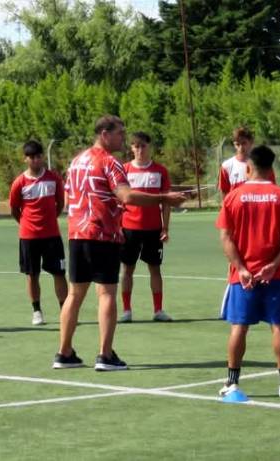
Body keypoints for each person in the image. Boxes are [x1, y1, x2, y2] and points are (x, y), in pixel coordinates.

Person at [54, 115, 186, 371]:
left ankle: (64, 352)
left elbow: (73, 196)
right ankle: (105, 355)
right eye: (119, 133)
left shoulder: (77, 161)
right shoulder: (110, 162)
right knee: (106, 293)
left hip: (77, 234)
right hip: (102, 235)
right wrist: (164, 198)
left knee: (75, 294)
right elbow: (126, 195)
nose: (124, 139)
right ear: (105, 134)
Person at [216, 145, 280, 400]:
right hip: (274, 275)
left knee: (239, 327)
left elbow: (225, 237)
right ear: (271, 168)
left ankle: (232, 383)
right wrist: (275, 264)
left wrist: (242, 268)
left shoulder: (234, 196)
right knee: (279, 327)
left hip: (242, 277)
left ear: (248, 167)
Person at [9, 140, 67, 326]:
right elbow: (14, 209)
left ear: (43, 157)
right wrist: (26, 223)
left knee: (59, 273)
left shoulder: (54, 178)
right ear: (25, 159)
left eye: (38, 156)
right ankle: (37, 311)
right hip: (29, 237)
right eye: (31, 157)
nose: (35, 160)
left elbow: (60, 203)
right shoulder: (19, 183)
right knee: (32, 275)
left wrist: (50, 220)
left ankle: (65, 310)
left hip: (52, 236)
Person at [119, 132, 173, 323]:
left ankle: (158, 310)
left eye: (143, 146)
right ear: (131, 148)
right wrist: (118, 227)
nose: (140, 150)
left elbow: (166, 202)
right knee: (127, 270)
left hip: (153, 229)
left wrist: (165, 228)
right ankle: (126, 310)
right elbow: (118, 202)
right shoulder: (124, 170)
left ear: (149, 146)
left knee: (155, 269)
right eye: (136, 146)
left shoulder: (160, 171)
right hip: (128, 229)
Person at [218, 126, 274, 195]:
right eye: (237, 144)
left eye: (244, 143)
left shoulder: (263, 163)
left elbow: (272, 190)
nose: (241, 147)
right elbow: (225, 196)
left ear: (251, 142)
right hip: (237, 206)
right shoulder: (226, 166)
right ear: (234, 145)